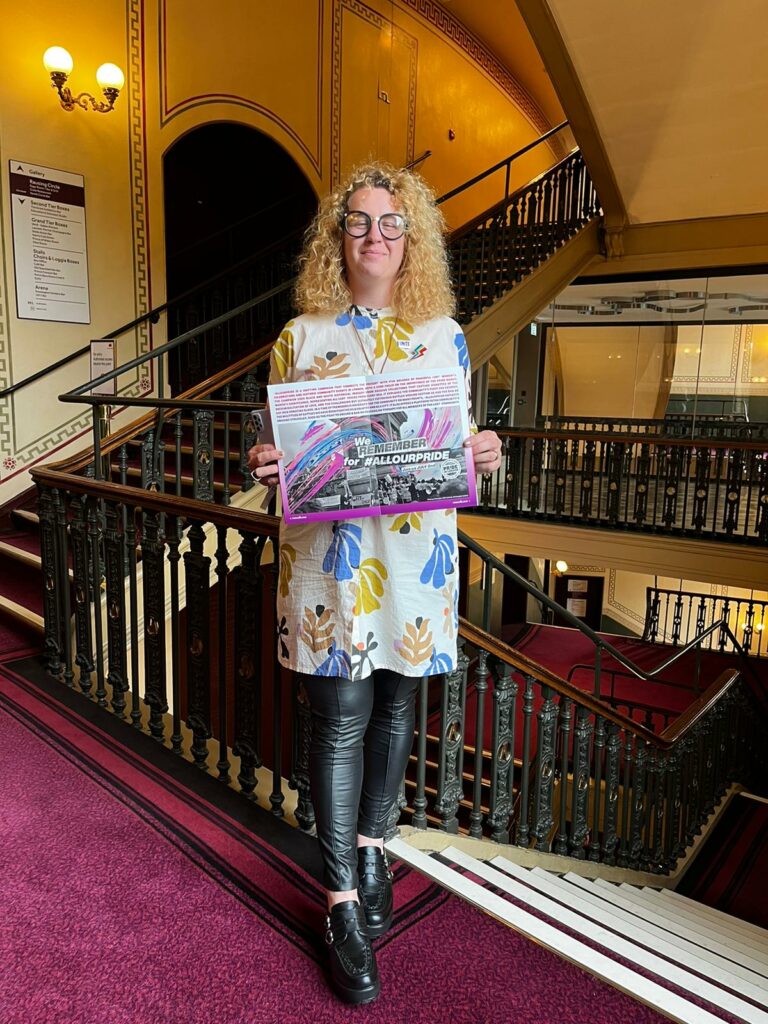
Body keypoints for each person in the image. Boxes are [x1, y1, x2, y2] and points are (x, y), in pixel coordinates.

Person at [248, 161, 501, 1005]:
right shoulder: (299, 335)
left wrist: (484, 454)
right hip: (330, 555)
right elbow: (273, 448)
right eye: (358, 222)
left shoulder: (443, 335)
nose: (375, 237)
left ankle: (373, 844)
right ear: (337, 236)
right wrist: (266, 460)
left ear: (413, 238)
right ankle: (341, 903)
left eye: (392, 224)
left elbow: (455, 447)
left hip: (413, 551)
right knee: (341, 716)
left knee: (397, 700)